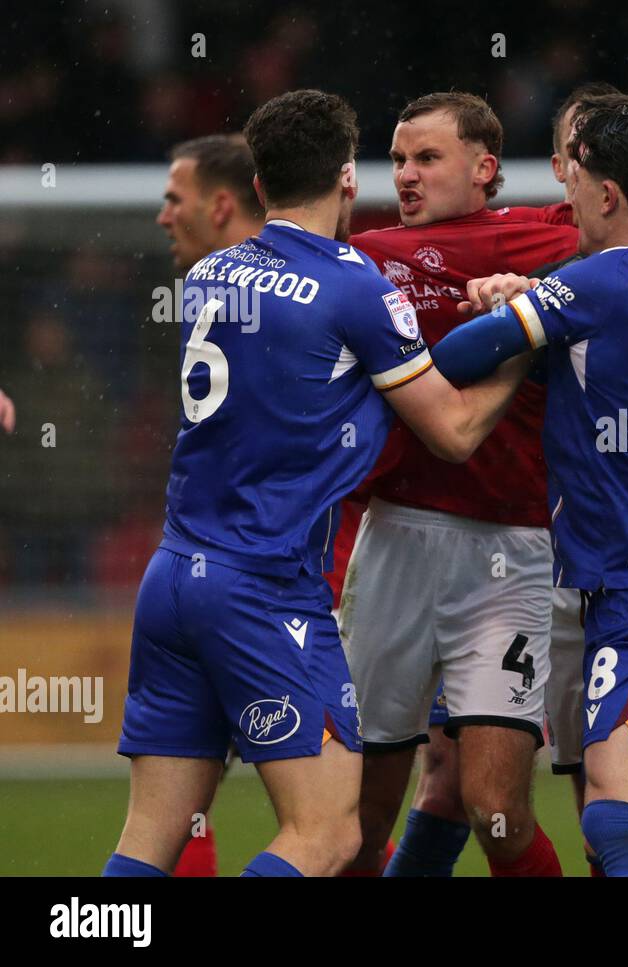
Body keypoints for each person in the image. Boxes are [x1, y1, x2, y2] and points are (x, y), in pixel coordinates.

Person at [104, 88, 531, 877]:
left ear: (259, 186)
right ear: (347, 179)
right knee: (328, 835)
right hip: (263, 588)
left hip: (171, 580)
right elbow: (455, 431)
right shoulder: (355, 286)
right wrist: (523, 342)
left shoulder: (213, 272)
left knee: (146, 840)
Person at [433, 93, 628, 876]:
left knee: (614, 820)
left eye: (575, 174)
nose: (563, 189)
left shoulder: (593, 283)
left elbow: (461, 354)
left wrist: (513, 300)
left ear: (609, 193)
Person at [336, 92, 576, 877]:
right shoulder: (364, 257)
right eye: (398, 158)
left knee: (496, 811)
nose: (405, 174)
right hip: (396, 539)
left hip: (513, 551)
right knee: (356, 821)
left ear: (485, 169)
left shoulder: (547, 241)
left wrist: (535, 293)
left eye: (426, 158)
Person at [155, 132, 267, 877]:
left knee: (169, 815)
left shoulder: (215, 293)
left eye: (174, 198)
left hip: (192, 573)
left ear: (221, 204)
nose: (163, 216)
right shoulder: (324, 284)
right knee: (333, 821)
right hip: (272, 583)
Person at [157, 134, 265, 272]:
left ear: (220, 208)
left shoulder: (224, 289)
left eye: (175, 201)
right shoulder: (294, 280)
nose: (163, 219)